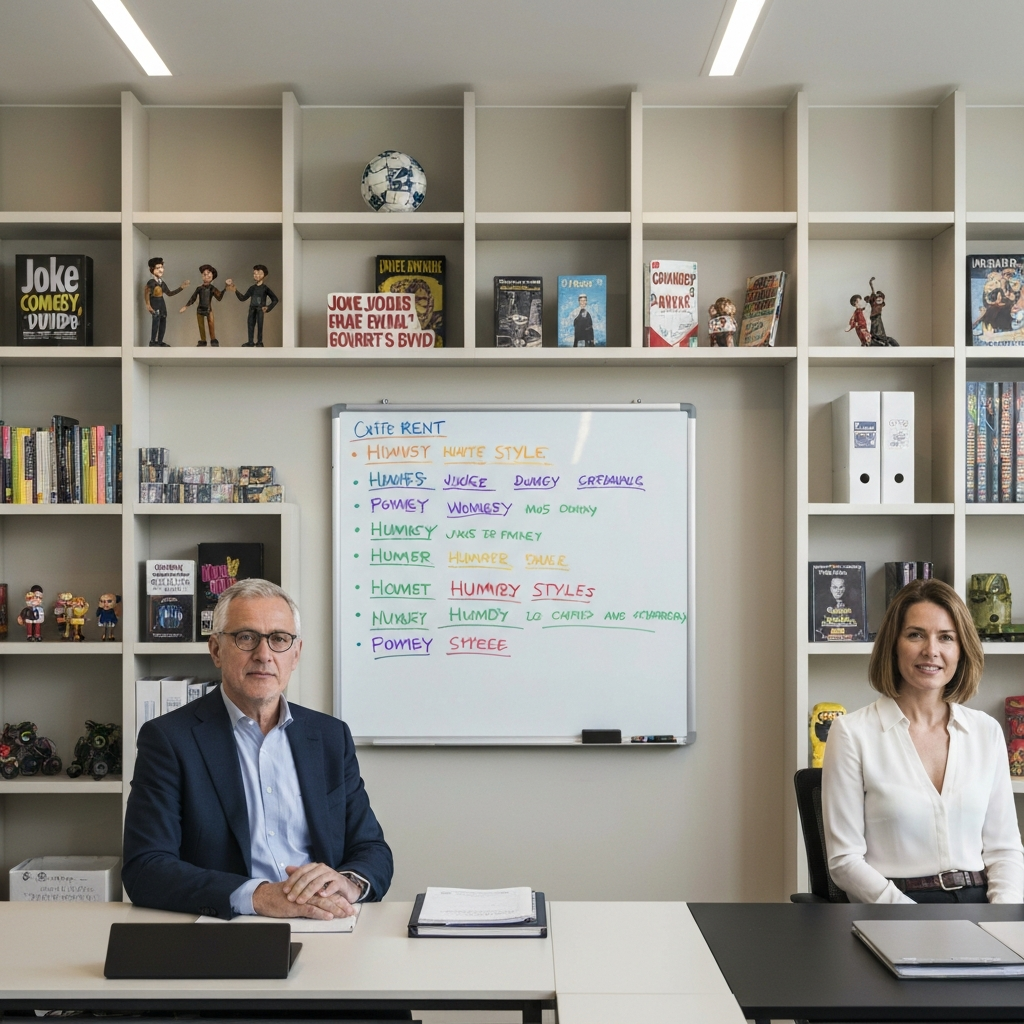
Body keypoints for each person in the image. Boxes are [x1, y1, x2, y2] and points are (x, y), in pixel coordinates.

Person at [123, 578, 393, 919]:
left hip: (326, 922)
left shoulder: (329, 737)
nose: (264, 655)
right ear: (216, 650)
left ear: (295, 655)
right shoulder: (169, 739)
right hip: (228, 930)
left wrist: (348, 882)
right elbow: (145, 868)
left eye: (279, 639)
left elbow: (371, 848)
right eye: (246, 637)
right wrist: (259, 896)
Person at [822, 578, 1024, 904]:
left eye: (946, 637)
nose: (931, 650)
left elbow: (1005, 849)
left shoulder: (986, 732)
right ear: (893, 644)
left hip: (980, 904)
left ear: (961, 650)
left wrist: (1002, 920)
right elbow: (844, 862)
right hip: (896, 907)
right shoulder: (851, 734)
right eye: (916, 634)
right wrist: (912, 918)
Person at [227, 264, 278, 348]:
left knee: (260, 325)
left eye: (259, 273)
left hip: (260, 309)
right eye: (255, 273)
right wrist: (235, 290)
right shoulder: (252, 288)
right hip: (252, 309)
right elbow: (243, 298)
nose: (257, 275)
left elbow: (275, 299)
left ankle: (259, 342)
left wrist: (268, 307)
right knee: (250, 325)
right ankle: (250, 342)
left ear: (264, 275)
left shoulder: (265, 288)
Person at [143, 258, 188, 348]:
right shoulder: (151, 282)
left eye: (162, 267)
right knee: (155, 322)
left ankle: (160, 341)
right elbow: (146, 292)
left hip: (162, 304)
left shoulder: (162, 283)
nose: (160, 270)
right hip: (155, 304)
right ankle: (152, 341)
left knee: (163, 322)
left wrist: (181, 288)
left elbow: (169, 293)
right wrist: (148, 305)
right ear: (152, 269)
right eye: (157, 268)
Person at [180, 264, 225, 347]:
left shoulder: (212, 288)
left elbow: (219, 297)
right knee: (201, 326)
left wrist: (225, 288)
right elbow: (193, 298)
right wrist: (186, 306)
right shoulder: (199, 288)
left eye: (208, 274)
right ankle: (203, 340)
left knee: (211, 324)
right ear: (202, 276)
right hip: (200, 310)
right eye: (204, 274)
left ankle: (213, 339)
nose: (206, 276)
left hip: (209, 309)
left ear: (212, 276)